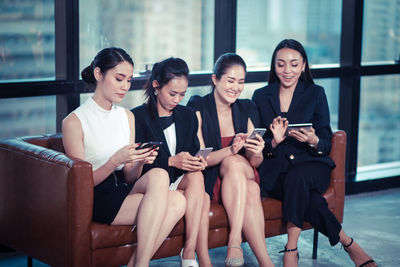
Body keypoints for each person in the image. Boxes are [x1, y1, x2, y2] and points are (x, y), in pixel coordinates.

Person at [252, 39, 377, 267]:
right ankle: (349, 244)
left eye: (293, 64)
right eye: (280, 64)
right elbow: (258, 144)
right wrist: (275, 142)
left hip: (312, 166)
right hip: (277, 171)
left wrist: (314, 139)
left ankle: (291, 248)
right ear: (274, 66)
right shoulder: (261, 96)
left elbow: (327, 143)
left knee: (299, 178)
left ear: (303, 66)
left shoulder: (316, 93)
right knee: (308, 198)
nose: (287, 70)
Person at [62, 47, 186, 267]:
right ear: (99, 74)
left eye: (128, 80)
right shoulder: (74, 122)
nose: (125, 87)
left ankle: (138, 264)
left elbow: (130, 177)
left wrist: (137, 161)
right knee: (175, 200)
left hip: (123, 188)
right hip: (96, 195)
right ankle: (140, 264)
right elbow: (80, 185)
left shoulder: (126, 116)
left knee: (160, 176)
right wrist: (115, 161)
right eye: (119, 79)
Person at [187, 53, 275, 267]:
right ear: (215, 79)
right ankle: (266, 262)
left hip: (243, 172)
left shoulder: (247, 107)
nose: (236, 87)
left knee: (237, 163)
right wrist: (231, 150)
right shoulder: (198, 105)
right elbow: (201, 159)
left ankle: (234, 239)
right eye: (230, 81)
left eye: (241, 82)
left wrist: (257, 151)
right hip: (213, 178)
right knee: (249, 186)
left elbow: (255, 163)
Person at [131, 57, 212, 267]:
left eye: (182, 94)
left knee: (196, 175)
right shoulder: (137, 117)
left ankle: (189, 252)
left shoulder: (188, 116)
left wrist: (197, 162)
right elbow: (137, 165)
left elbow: (193, 151)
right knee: (201, 196)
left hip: (178, 182)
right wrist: (171, 161)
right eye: (172, 93)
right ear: (156, 86)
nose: (177, 100)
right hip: (150, 184)